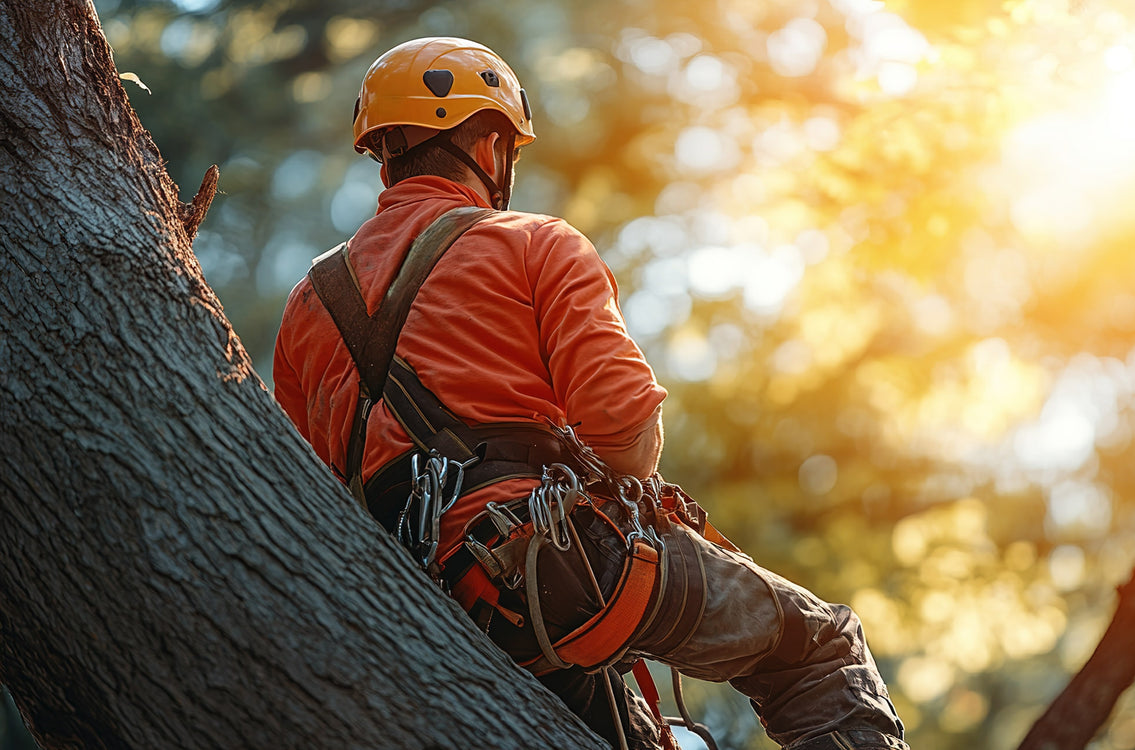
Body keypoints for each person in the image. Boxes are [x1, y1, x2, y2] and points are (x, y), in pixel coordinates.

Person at [272, 36, 906, 750]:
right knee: (820, 652)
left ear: (383, 151)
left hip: (412, 607)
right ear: (488, 148)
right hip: (555, 572)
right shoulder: (532, 242)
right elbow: (626, 433)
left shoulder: (306, 307)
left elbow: (312, 497)